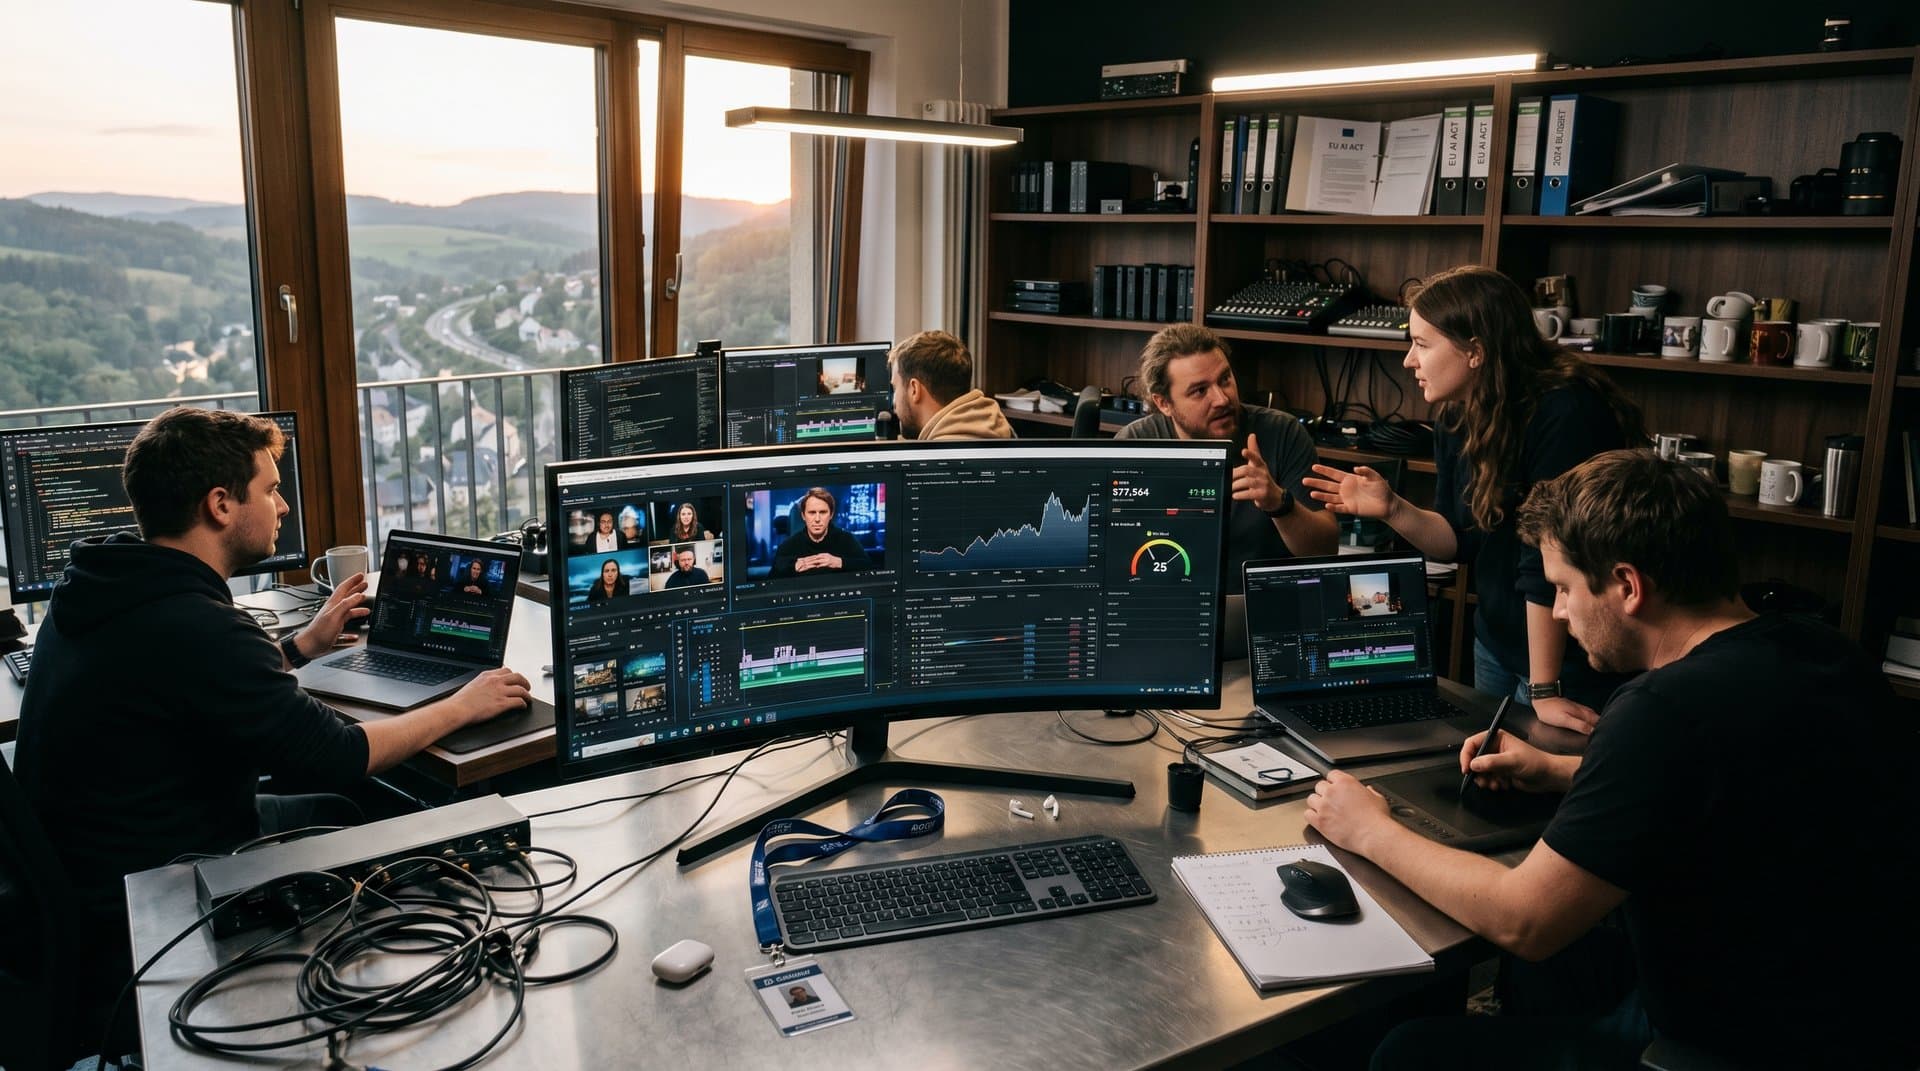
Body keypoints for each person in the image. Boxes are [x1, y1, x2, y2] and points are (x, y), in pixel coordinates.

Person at [1304, 451, 1916, 1070]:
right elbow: (1734, 782)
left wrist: (1370, 830)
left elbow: (1524, 920)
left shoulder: (1661, 709)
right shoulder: (1823, 649)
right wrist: (1557, 769)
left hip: (1735, 1044)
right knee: (1556, 970)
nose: (1561, 612)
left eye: (1565, 588)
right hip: (1860, 1017)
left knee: (1410, 1052)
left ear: (1627, 586)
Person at [10, 407, 532, 1049]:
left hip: (95, 872)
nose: (283, 506)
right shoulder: (195, 626)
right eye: (271, 488)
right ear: (221, 505)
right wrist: (463, 705)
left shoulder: (104, 582)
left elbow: (190, 685)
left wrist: (299, 648)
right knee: (351, 805)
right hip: (160, 893)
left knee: (339, 810)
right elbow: (338, 753)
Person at [1302, 266, 1644, 731]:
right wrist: (1393, 509)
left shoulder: (1566, 412)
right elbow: (1459, 542)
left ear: (1476, 351)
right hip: (1498, 642)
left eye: (1422, 344)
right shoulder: (1457, 415)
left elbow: (1551, 564)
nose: (1408, 360)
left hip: (1564, 660)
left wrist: (1544, 688)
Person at [1115, 324, 1337, 590]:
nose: (1222, 398)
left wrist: (1279, 504)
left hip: (1258, 605)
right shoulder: (1136, 445)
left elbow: (1325, 551)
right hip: (1170, 602)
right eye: (1200, 390)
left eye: (1225, 379)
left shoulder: (1283, 432)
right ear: (1164, 403)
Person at [887, 330, 1013, 441]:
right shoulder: (1001, 429)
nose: (894, 403)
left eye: (895, 388)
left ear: (914, 389)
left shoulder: (935, 461)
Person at [771, 487, 869, 577]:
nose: (817, 519)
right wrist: (792, 568)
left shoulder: (847, 540)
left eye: (823, 512)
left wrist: (840, 562)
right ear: (803, 516)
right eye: (812, 513)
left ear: (831, 515)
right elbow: (772, 580)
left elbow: (869, 568)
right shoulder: (788, 546)